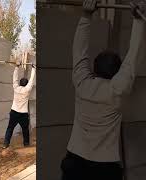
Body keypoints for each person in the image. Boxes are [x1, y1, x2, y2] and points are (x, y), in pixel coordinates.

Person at [61, 0, 146, 179]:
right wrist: (138, 20)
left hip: (74, 164)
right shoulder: (118, 89)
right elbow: (133, 58)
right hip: (105, 170)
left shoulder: (82, 83)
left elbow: (79, 53)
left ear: (94, 67)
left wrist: (86, 16)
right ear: (117, 72)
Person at [3, 62, 36, 148]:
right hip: (23, 114)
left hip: (14, 112)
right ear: (26, 83)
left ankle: (5, 144)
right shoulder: (27, 90)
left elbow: (14, 78)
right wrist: (33, 68)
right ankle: (26, 144)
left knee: (10, 128)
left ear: (20, 83)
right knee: (25, 130)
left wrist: (17, 67)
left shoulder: (16, 88)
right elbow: (32, 80)